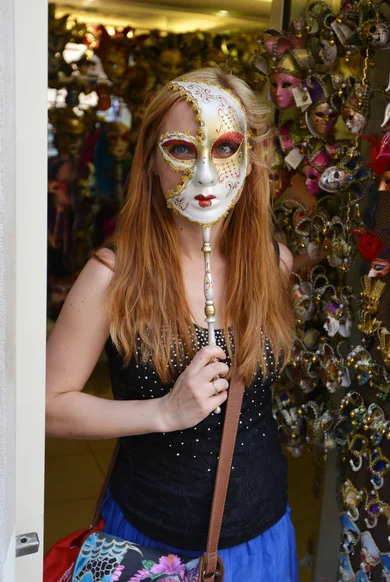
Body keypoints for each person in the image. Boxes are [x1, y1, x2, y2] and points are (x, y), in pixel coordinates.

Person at [46, 67, 298, 581]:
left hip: (264, 538)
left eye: (225, 148)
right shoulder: (112, 275)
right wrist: (163, 412)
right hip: (145, 546)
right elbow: (46, 408)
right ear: (151, 162)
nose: (204, 175)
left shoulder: (274, 264)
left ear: (252, 161)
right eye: (182, 150)